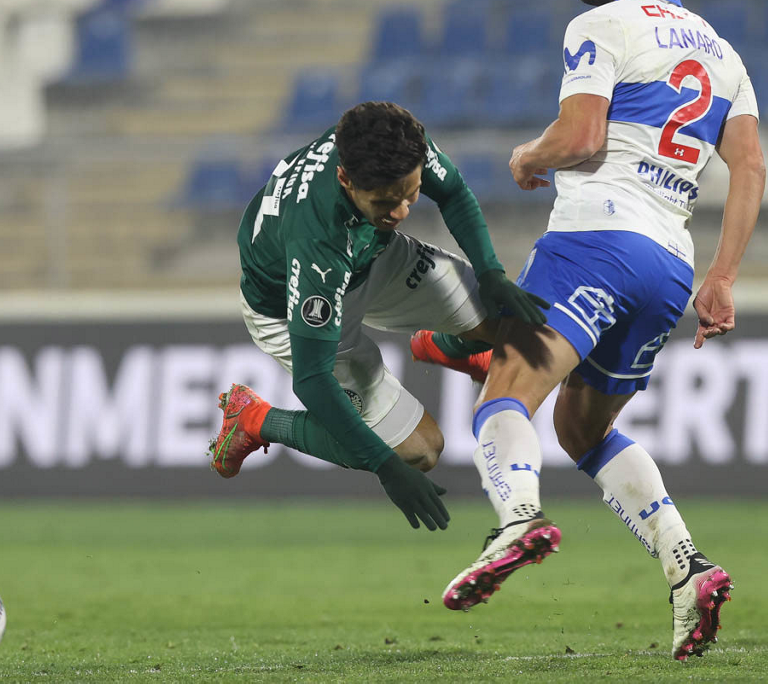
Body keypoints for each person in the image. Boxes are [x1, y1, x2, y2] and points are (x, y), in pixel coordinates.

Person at [411, 0, 765, 661]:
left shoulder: (602, 25)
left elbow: (582, 136)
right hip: (667, 267)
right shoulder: (721, 53)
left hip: (597, 236)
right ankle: (687, 566)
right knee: (581, 427)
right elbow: (750, 167)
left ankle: (518, 519)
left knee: (506, 393)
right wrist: (724, 276)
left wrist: (530, 154)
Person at [209, 101, 548, 532]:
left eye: (410, 194)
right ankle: (255, 419)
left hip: (372, 255)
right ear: (345, 179)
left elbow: (453, 192)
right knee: (420, 451)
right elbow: (312, 379)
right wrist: (384, 467)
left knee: (510, 324)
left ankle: (443, 345)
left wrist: (491, 273)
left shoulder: (395, 141)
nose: (402, 212)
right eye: (386, 201)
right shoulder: (318, 243)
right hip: (291, 307)